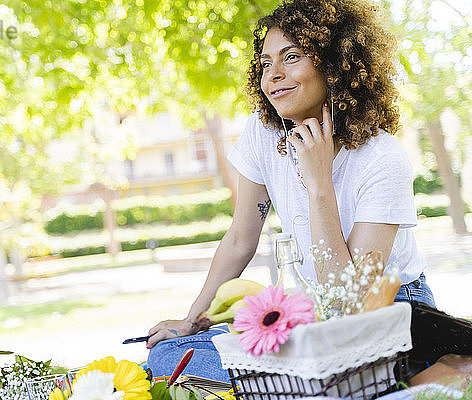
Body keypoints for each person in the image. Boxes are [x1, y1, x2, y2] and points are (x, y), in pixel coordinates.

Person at [145, 0, 436, 383]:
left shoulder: (381, 159)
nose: (273, 76)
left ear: (333, 66)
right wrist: (191, 321)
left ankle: (304, 378)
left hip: (388, 312)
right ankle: (296, 379)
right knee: (168, 355)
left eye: (292, 57)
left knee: (297, 366)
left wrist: (320, 184)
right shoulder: (264, 134)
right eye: (266, 64)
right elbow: (239, 240)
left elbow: (350, 301)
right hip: (317, 314)